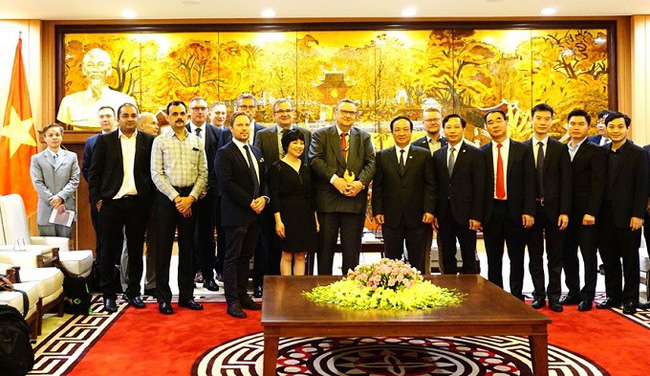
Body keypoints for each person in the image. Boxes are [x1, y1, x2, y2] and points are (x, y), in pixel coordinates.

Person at [88, 103, 155, 313]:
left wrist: (149, 199)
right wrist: (97, 200)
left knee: (135, 250)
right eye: (125, 116)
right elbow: (94, 173)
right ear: (118, 119)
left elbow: (151, 172)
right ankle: (108, 295)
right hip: (111, 203)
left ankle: (133, 292)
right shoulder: (104, 141)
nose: (129, 119)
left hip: (138, 202)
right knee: (108, 250)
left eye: (133, 116)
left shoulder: (148, 140)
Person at [151, 100, 207, 315]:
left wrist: (190, 198)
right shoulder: (160, 141)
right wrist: (177, 199)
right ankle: (164, 298)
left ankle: (186, 296)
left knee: (188, 250)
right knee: (164, 250)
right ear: (168, 116)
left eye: (182, 113)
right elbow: (157, 174)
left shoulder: (197, 141)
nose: (179, 117)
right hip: (167, 199)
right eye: (175, 114)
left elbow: (204, 173)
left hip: (191, 199)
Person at [309, 98, 376, 275]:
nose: (347, 115)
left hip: (354, 202)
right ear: (335, 113)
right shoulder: (321, 135)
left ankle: (351, 291)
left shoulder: (363, 137)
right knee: (324, 252)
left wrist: (360, 183)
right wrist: (334, 180)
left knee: (352, 253)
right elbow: (315, 159)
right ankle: (322, 289)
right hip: (328, 202)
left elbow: (371, 163)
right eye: (344, 111)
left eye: (351, 112)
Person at [215, 112, 268, 318]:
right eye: (240, 125)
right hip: (236, 213)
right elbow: (226, 183)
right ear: (232, 128)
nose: (244, 128)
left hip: (255, 214)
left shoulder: (255, 150)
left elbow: (262, 179)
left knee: (246, 256)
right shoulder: (224, 152)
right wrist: (249, 202)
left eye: (247, 125)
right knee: (232, 257)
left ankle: (243, 295)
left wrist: (264, 198)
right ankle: (232, 301)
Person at [480, 109, 536, 301]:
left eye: (498, 120)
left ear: (506, 122)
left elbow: (530, 183)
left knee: (517, 257)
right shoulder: (482, 152)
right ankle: (496, 296)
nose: (495, 125)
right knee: (493, 257)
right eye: (490, 122)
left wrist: (529, 211)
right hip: (491, 211)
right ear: (486, 127)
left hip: (516, 210)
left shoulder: (522, 150)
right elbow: (479, 188)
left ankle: (516, 295)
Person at [255, 98, 312, 279]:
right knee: (278, 250)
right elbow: (259, 167)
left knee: (300, 254)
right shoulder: (263, 135)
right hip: (276, 202)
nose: (285, 114)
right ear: (274, 114)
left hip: (302, 209)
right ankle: (275, 289)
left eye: (288, 110)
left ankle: (298, 291)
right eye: (280, 111)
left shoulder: (306, 134)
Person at [596, 112, 647, 315]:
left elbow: (642, 186)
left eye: (620, 127)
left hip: (628, 216)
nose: (616, 130)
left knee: (630, 259)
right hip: (604, 214)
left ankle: (630, 299)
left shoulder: (638, 153)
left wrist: (638, 214)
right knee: (609, 258)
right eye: (612, 127)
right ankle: (613, 295)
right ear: (606, 128)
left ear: (627, 128)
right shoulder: (601, 152)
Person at [524, 103, 572, 313]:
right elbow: (520, 184)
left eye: (547, 119)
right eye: (538, 118)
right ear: (532, 120)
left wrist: (565, 211)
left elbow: (566, 183)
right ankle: (538, 295)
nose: (542, 123)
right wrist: (525, 210)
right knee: (535, 256)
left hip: (554, 211)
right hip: (531, 211)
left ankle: (554, 297)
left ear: (552, 121)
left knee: (555, 256)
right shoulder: (522, 148)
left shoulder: (560, 148)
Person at [372, 116, 435, 273]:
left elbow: (430, 185)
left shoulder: (424, 155)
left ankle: (417, 293)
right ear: (392, 132)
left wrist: (429, 210)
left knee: (417, 261)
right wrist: (378, 210)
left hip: (418, 216)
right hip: (391, 217)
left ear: (411, 132)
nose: (401, 133)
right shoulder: (382, 156)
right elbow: (378, 186)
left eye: (405, 129)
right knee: (391, 262)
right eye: (397, 130)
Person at [561, 109, 606, 312]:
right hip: (564, 213)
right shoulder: (562, 150)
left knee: (588, 256)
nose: (576, 127)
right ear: (567, 126)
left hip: (586, 214)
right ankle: (573, 292)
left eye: (581, 124)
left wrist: (592, 212)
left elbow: (598, 185)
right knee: (567, 255)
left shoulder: (595, 151)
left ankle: (588, 296)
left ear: (588, 127)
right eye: (573, 123)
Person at [433, 114, 485, 274]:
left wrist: (477, 216)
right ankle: (451, 291)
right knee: (447, 256)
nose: (452, 131)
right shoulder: (438, 155)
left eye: (456, 127)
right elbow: (436, 187)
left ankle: (471, 294)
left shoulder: (475, 153)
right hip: (444, 214)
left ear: (463, 129)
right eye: (448, 127)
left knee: (469, 256)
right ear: (444, 130)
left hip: (467, 215)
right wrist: (435, 213)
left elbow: (480, 187)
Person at [269, 129, 318, 276]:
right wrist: (278, 221)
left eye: (302, 143)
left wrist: (315, 219)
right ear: (286, 145)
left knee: (300, 255)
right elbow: (274, 196)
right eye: (295, 142)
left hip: (305, 215)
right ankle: (285, 292)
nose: (299, 146)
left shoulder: (306, 167)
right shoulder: (276, 167)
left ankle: (297, 291)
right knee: (287, 255)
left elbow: (312, 195)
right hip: (286, 215)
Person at [186, 97, 222, 292]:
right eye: (195, 109)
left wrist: (207, 187)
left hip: (210, 194)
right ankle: (189, 275)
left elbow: (220, 163)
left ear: (207, 111)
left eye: (202, 108)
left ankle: (209, 276)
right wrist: (193, 190)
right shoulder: (181, 132)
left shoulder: (219, 133)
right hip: (187, 194)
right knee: (188, 236)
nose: (199, 112)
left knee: (208, 236)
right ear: (190, 111)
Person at [57, 48, 134, 130]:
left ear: (109, 70)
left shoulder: (126, 102)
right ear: (84, 70)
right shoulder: (69, 103)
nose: (95, 70)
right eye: (90, 65)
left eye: (100, 65)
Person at [30, 123, 80, 238]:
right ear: (45, 138)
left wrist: (60, 197)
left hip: (65, 206)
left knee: (64, 245)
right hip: (47, 207)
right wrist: (52, 200)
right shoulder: (37, 159)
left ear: (62, 136)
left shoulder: (72, 157)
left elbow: (74, 180)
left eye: (57, 134)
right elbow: (37, 182)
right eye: (50, 135)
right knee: (49, 250)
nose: (54, 137)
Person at [82, 106, 117, 265]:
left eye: (108, 116)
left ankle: (120, 279)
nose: (105, 119)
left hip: (121, 197)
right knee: (102, 240)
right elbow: (87, 169)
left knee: (121, 240)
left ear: (115, 119)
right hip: (100, 199)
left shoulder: (122, 139)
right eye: (102, 116)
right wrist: (99, 193)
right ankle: (104, 280)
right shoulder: (91, 142)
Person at [137, 111, 160, 296]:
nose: (157, 126)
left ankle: (151, 283)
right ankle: (130, 284)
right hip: (134, 201)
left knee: (155, 243)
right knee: (132, 245)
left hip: (156, 200)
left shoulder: (158, 143)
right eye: (153, 123)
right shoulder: (130, 143)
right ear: (141, 125)